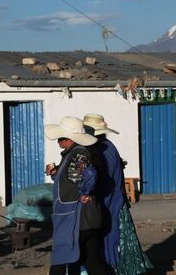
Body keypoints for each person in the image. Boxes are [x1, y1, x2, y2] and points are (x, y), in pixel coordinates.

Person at [83, 114, 153, 275]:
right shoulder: (107, 146)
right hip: (114, 203)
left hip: (109, 205)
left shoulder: (102, 150)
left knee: (110, 246)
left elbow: (103, 180)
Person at [44, 116, 110, 275]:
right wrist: (56, 173)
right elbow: (73, 179)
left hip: (75, 218)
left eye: (61, 137)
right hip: (85, 218)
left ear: (69, 139)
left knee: (61, 259)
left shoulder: (77, 155)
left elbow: (87, 176)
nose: (58, 140)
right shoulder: (74, 154)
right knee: (92, 262)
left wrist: (85, 192)